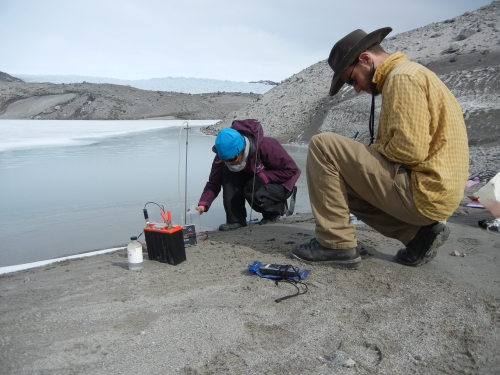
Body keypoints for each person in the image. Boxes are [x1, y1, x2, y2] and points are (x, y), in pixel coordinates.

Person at [291, 27, 469, 269]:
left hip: (425, 192)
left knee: (323, 146)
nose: (355, 88)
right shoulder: (410, 74)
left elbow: (410, 150)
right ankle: (418, 236)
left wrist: (373, 150)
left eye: (352, 79)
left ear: (365, 59)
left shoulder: (401, 77)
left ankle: (335, 244)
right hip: (437, 194)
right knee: (340, 179)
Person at [195, 119, 301, 231]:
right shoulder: (223, 155)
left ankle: (273, 212)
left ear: (242, 149)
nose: (229, 163)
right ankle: (236, 220)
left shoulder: (267, 145)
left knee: (253, 188)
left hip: (279, 184)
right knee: (228, 173)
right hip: (254, 179)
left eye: (232, 159)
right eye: (225, 160)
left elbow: (292, 171)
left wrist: (264, 177)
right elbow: (213, 182)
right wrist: (203, 204)